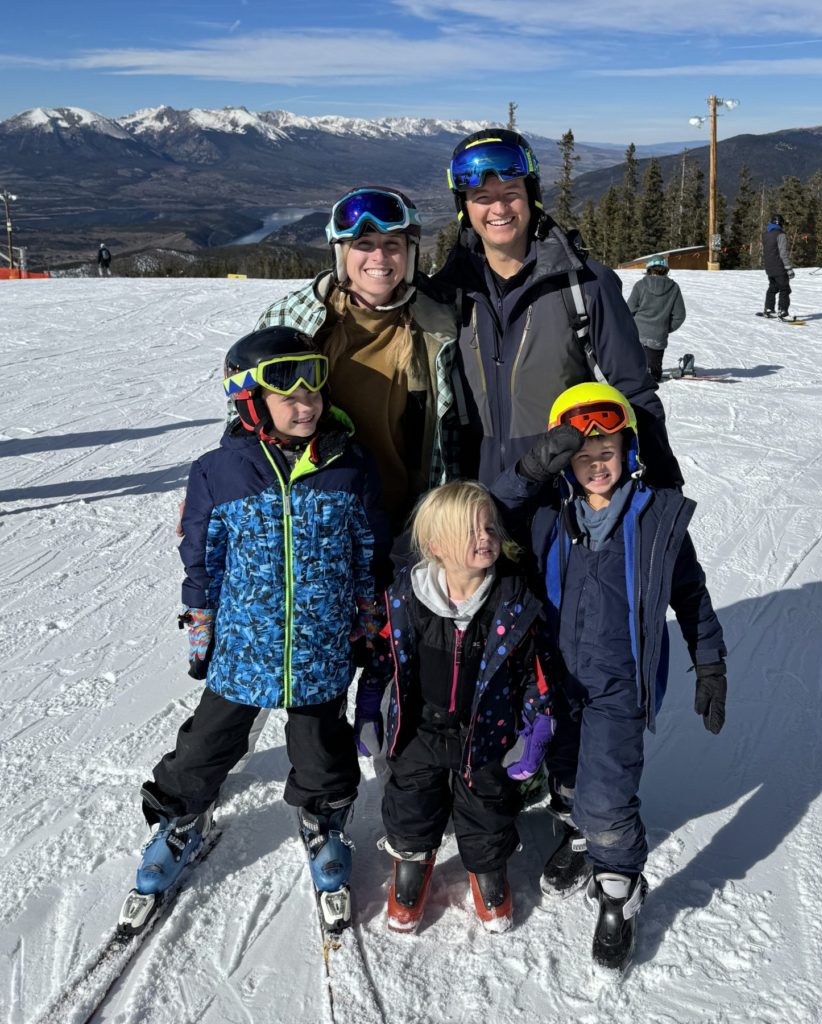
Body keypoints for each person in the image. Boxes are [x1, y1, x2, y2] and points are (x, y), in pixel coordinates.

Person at [119, 326, 390, 936]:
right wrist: (202, 621)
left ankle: (323, 817)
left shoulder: (349, 465)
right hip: (244, 644)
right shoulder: (220, 470)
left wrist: (369, 621)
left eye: (314, 389)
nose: (306, 404)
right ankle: (181, 814)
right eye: (287, 394)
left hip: (320, 646)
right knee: (209, 740)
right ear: (250, 401)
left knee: (322, 745)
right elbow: (203, 555)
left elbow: (368, 550)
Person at [491, 382, 727, 970]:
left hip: (620, 685)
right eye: (582, 456)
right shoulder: (549, 516)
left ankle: (618, 887)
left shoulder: (657, 519)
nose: (597, 466)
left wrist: (711, 662)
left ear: (629, 452)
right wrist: (529, 467)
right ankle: (576, 838)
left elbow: (691, 595)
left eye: (608, 453)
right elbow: (489, 513)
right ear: (563, 462)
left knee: (607, 795)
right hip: (555, 682)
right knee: (566, 777)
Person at [242, 187, 465, 764]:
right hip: (311, 519)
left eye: (393, 244)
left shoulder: (437, 322)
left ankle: (394, 755)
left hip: (401, 517)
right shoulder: (299, 317)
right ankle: (222, 755)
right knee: (287, 641)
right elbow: (247, 415)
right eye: (364, 244)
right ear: (340, 252)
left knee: (393, 645)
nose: (379, 258)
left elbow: (460, 425)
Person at [429, 128, 682, 491]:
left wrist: (663, 492)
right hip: (477, 500)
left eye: (511, 194)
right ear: (464, 208)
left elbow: (635, 393)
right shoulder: (447, 293)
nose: (498, 209)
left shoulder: (585, 285)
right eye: (482, 197)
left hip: (563, 495)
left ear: (531, 197)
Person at [375, 480, 553, 934]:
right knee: (411, 797)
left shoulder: (512, 600)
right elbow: (384, 659)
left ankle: (487, 865)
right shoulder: (406, 598)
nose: (487, 538)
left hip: (486, 728)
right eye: (471, 531)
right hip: (421, 727)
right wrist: (367, 707)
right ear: (436, 545)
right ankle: (413, 861)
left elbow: (534, 671)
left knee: (486, 803)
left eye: (490, 527)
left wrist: (536, 722)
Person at [626, 257, 687, 383]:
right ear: (665, 270)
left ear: (648, 269)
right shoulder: (674, 288)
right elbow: (679, 316)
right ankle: (653, 374)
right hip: (658, 337)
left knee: (635, 368)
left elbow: (629, 309)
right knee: (654, 374)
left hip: (637, 334)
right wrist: (664, 328)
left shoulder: (640, 285)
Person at [762, 213, 795, 319]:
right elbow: (783, 253)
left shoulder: (766, 235)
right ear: (781, 224)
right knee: (784, 289)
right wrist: (789, 268)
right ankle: (783, 312)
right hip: (779, 267)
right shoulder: (781, 235)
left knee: (773, 287)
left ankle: (769, 309)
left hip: (769, 267)